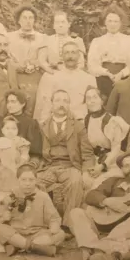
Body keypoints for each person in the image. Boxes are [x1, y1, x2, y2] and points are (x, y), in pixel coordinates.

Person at [66, 152, 130, 260]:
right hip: (100, 222)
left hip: (122, 229)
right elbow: (90, 196)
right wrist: (106, 201)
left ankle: (94, 248)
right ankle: (101, 246)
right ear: (122, 169)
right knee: (76, 212)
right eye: (126, 166)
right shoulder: (114, 181)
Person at [37, 90, 93, 221]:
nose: (61, 104)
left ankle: (68, 223)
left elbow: (87, 153)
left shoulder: (78, 126)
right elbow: (37, 152)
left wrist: (86, 172)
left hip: (70, 166)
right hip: (49, 167)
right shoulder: (42, 126)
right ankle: (45, 220)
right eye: (57, 100)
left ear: (69, 105)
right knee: (34, 183)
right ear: (51, 104)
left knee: (76, 182)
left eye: (65, 101)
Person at [0, 164, 67, 257]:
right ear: (17, 180)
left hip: (37, 234)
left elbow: (54, 218)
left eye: (31, 180)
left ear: (36, 180)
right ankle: (34, 248)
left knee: (60, 234)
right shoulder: (11, 195)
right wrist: (3, 217)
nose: (27, 183)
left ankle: (18, 246)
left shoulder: (43, 196)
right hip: (16, 232)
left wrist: (53, 227)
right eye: (23, 180)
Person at [34, 41, 97, 123]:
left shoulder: (89, 78)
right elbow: (42, 105)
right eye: (66, 53)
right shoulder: (50, 76)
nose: (70, 56)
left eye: (73, 52)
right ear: (62, 56)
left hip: (80, 123)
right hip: (56, 123)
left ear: (79, 56)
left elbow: (94, 106)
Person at [82, 86, 130, 189]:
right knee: (85, 180)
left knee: (98, 185)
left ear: (102, 100)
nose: (91, 101)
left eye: (95, 97)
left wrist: (102, 166)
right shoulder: (87, 119)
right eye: (88, 98)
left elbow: (116, 149)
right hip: (95, 160)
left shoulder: (112, 121)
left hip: (112, 161)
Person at [0, 116, 31, 214]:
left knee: (15, 180)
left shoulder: (19, 141)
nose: (10, 131)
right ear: (2, 130)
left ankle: (16, 201)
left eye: (14, 129)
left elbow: (24, 154)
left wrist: (21, 162)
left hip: (13, 167)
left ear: (17, 130)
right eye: (7, 128)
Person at [6, 6, 47, 116]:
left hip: (35, 78)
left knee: (33, 108)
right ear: (19, 20)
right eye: (24, 18)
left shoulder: (43, 37)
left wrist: (35, 64)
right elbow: (7, 58)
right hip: (16, 76)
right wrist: (18, 66)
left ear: (34, 20)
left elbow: (44, 58)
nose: (28, 21)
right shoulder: (9, 37)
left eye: (31, 18)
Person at [87, 6, 130, 98]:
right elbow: (92, 65)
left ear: (120, 23)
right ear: (105, 22)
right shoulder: (97, 41)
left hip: (124, 78)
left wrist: (121, 74)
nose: (112, 24)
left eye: (116, 21)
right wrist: (107, 73)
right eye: (109, 21)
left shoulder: (129, 40)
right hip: (103, 78)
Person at [0, 90, 43, 166]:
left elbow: (35, 151)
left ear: (23, 104)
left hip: (23, 162)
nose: (9, 105)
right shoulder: (0, 121)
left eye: (13, 102)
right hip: (0, 162)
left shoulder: (31, 123)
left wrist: (31, 163)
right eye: (8, 102)